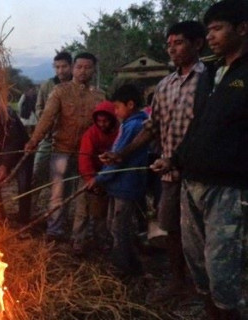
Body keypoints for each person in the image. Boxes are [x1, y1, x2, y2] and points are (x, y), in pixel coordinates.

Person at [152, 1, 248, 318]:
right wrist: (174, 159)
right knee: (199, 268)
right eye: (208, 30)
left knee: (223, 270)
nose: (211, 36)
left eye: (217, 28)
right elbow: (198, 125)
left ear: (242, 29)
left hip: (228, 188)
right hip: (190, 181)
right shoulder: (213, 75)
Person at [101, 21, 207, 302]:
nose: (172, 48)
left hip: (204, 174)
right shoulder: (165, 85)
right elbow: (152, 128)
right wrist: (120, 154)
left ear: (198, 44)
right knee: (172, 229)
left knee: (204, 232)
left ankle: (208, 288)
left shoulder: (211, 79)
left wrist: (177, 158)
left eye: (179, 42)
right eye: (169, 44)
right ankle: (179, 282)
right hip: (170, 176)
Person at [25, 52, 105, 242]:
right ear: (73, 68)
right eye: (79, 67)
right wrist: (34, 140)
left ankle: (79, 237)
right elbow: (46, 118)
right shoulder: (60, 91)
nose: (83, 71)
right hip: (61, 150)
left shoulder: (100, 96)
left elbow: (104, 126)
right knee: (58, 193)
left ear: (93, 70)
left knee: (83, 197)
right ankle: (55, 231)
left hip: (86, 154)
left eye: (87, 67)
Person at [89, 84, 148, 277]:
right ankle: (130, 264)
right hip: (119, 185)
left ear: (130, 105)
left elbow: (118, 160)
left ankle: (122, 269)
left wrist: (99, 178)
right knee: (116, 225)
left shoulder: (134, 126)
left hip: (126, 185)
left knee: (119, 228)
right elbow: (116, 155)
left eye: (117, 107)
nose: (115, 111)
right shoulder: (130, 124)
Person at [71, 100, 118, 255]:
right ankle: (78, 241)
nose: (102, 124)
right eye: (99, 121)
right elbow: (84, 158)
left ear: (112, 119)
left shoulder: (119, 133)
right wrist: (90, 178)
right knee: (82, 211)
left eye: (105, 121)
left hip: (106, 178)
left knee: (100, 214)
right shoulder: (90, 134)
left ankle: (101, 241)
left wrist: (101, 180)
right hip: (87, 177)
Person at [31, 51, 73, 212]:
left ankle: (59, 213)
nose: (61, 71)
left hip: (67, 140)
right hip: (48, 138)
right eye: (57, 67)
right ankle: (31, 209)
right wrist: (48, 121)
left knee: (63, 180)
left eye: (64, 67)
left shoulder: (75, 86)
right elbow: (39, 107)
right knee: (37, 172)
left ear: (70, 66)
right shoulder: (47, 85)